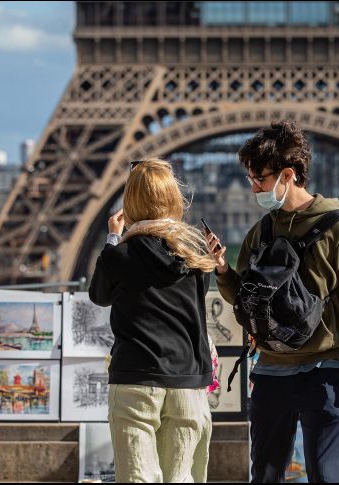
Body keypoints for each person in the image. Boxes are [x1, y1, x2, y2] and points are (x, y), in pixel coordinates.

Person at [206, 120, 339, 483]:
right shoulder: (263, 229)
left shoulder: (338, 228)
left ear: (287, 175)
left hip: (323, 370)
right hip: (272, 369)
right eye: (250, 179)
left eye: (259, 178)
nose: (254, 187)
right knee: (266, 475)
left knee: (327, 475)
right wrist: (224, 270)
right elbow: (244, 300)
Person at [90, 158, 216, 483]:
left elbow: (99, 295)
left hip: (136, 376)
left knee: (137, 478)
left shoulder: (119, 256)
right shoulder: (196, 255)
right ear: (174, 199)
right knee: (180, 478)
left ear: (129, 202)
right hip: (187, 380)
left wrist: (113, 240)